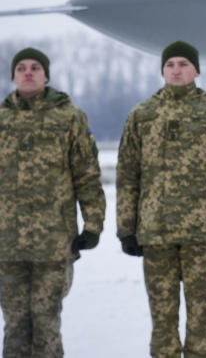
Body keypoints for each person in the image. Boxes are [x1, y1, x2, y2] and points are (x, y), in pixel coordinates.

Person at [116, 40, 206, 358]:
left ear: (196, 70)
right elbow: (127, 175)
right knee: (162, 322)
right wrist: (126, 228)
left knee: (201, 320)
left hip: (201, 235)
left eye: (183, 64)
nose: (176, 70)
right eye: (170, 64)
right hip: (155, 233)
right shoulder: (143, 115)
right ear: (162, 70)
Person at [0, 48, 106, 357]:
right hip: (7, 244)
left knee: (46, 323)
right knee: (16, 325)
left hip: (54, 242)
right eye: (21, 67)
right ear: (13, 76)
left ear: (46, 75)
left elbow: (86, 174)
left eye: (35, 67)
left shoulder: (69, 116)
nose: (28, 72)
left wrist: (93, 224)